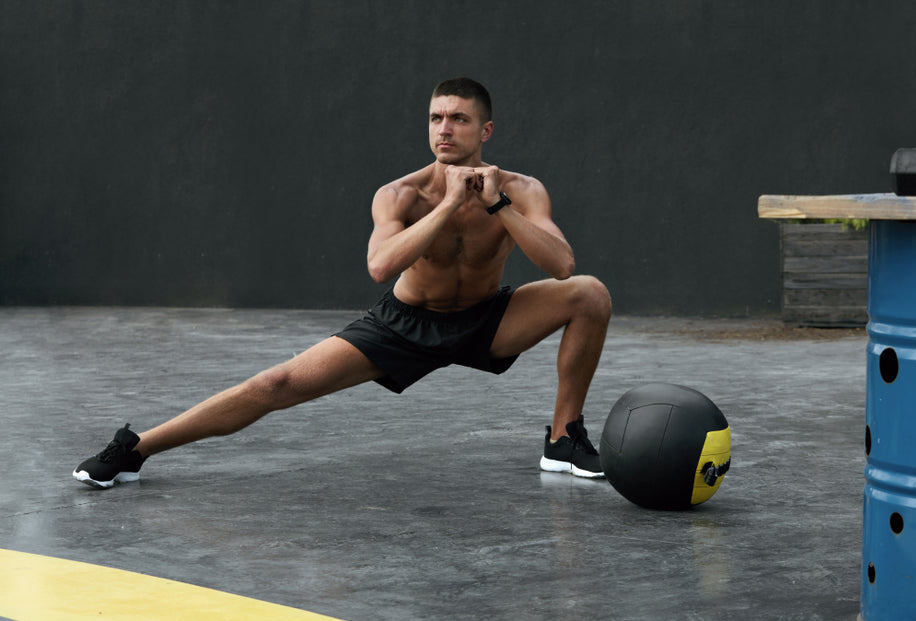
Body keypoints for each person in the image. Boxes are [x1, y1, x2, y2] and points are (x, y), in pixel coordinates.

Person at [73, 77, 612, 489]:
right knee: (274, 386)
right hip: (405, 324)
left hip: (485, 320)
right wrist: (450, 203)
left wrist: (495, 204)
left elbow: (561, 264)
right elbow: (381, 266)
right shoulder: (399, 194)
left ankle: (563, 439)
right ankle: (136, 449)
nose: (444, 129)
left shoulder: (520, 189)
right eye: (435, 118)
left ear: (485, 131)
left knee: (589, 293)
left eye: (459, 120)